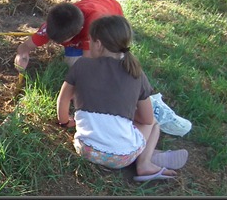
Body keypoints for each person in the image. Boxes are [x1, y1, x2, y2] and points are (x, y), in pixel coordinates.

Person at [56, 15, 188, 181]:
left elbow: (63, 99)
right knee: (154, 123)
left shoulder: (81, 65)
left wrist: (64, 122)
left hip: (85, 148)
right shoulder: (136, 73)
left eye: (89, 41)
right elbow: (147, 119)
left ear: (98, 44)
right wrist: (129, 114)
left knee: (119, 127)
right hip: (122, 158)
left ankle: (146, 154)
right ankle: (145, 162)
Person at [14, 0, 123, 69]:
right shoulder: (53, 24)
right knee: (72, 64)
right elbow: (26, 45)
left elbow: (88, 64)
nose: (58, 43)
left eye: (63, 41)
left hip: (110, 13)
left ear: (79, 31)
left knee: (112, 61)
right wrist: (22, 55)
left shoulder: (94, 28)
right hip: (91, 6)